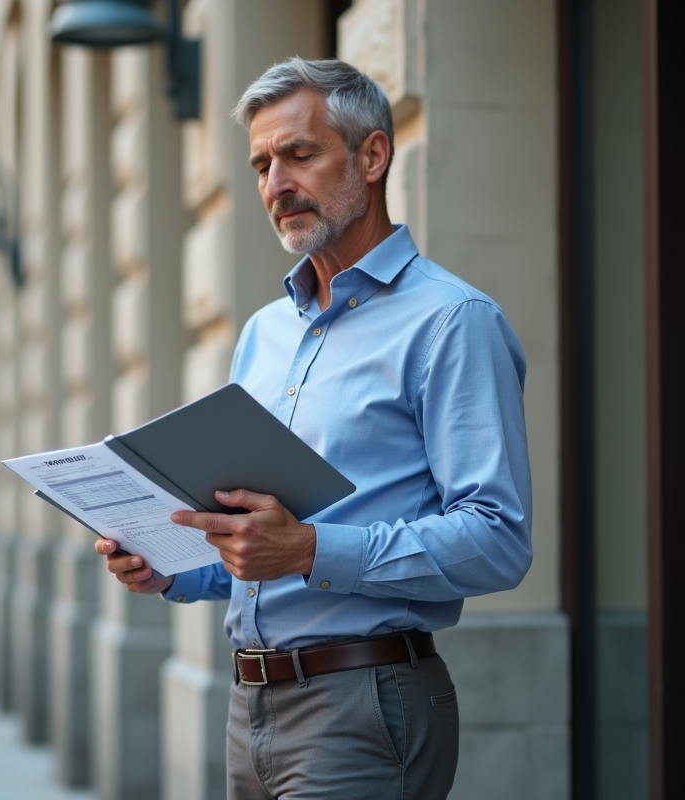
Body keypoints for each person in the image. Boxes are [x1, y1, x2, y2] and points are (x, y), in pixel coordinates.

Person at [97, 58, 533, 799]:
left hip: (365, 703)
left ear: (372, 155)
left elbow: (497, 540)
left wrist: (308, 549)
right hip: (249, 706)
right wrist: (168, 566)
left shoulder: (452, 321)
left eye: (299, 154)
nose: (276, 184)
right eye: (262, 164)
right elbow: (251, 544)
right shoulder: (265, 335)